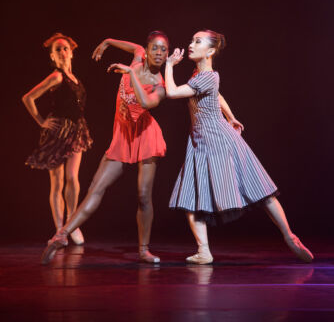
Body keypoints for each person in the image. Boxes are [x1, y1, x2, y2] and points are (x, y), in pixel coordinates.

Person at [165, 29, 314, 265]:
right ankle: (203, 251)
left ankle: (289, 236)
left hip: (218, 140)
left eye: (197, 41)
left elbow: (172, 92)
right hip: (200, 141)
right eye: (192, 40)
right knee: (191, 196)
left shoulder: (207, 76)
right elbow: (217, 96)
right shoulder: (202, 75)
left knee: (259, 188)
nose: (191, 44)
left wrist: (170, 65)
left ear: (211, 51)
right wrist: (232, 116)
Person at [41, 31, 169, 265]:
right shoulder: (138, 55)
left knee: (143, 195)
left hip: (145, 137)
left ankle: (144, 250)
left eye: (164, 50)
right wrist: (108, 42)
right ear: (147, 50)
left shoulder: (160, 85)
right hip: (122, 137)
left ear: (167, 55)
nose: (159, 53)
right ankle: (60, 235)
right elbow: (132, 46)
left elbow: (146, 103)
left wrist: (130, 73)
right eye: (155, 48)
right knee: (95, 189)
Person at [22, 32, 93, 246]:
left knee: (73, 178)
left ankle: (72, 224)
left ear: (71, 53)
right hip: (57, 131)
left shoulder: (76, 79)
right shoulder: (57, 76)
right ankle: (60, 231)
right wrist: (41, 121)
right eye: (57, 50)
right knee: (57, 183)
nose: (62, 52)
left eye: (65, 48)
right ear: (52, 56)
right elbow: (28, 98)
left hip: (77, 131)